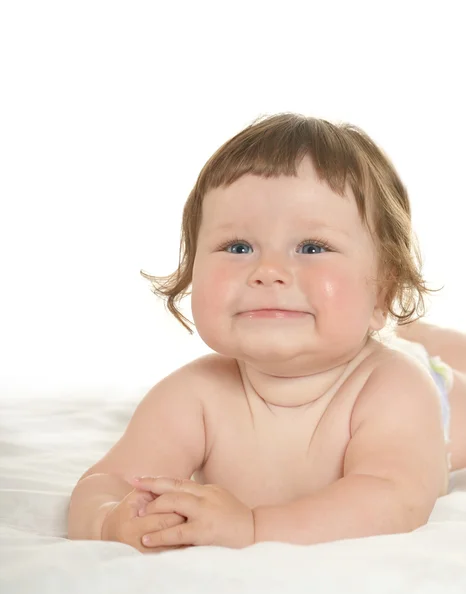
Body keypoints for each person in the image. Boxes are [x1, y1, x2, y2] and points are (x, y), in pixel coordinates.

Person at [67, 113, 466, 554]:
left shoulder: (396, 390)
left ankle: (419, 337)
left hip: (438, 400)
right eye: (238, 247)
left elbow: (396, 499)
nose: (268, 271)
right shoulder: (193, 395)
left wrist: (254, 528)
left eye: (312, 247)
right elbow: (105, 481)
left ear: (384, 289)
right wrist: (109, 520)